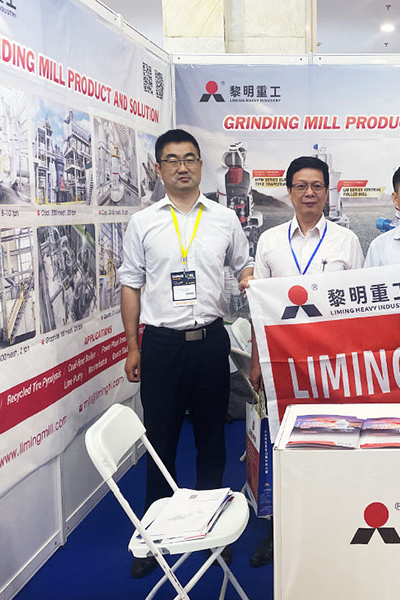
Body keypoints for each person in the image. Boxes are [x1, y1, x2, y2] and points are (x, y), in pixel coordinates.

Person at [117, 129, 254, 579]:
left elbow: (243, 264)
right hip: (161, 346)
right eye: (173, 160)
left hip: (211, 342)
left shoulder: (223, 219)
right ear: (159, 169)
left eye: (190, 158)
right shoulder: (143, 223)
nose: (182, 166)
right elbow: (130, 284)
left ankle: (212, 534)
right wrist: (132, 345)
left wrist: (251, 277)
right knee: (161, 442)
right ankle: (153, 537)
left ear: (200, 165)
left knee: (212, 441)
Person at [240, 155, 364, 567]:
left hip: (332, 361)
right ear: (289, 191)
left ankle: (332, 522)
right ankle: (279, 529)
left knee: (333, 438)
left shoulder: (346, 241)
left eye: (317, 186)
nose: (309, 193)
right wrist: (256, 361)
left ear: (327, 191)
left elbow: (359, 311)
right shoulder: (270, 241)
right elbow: (259, 309)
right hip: (280, 361)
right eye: (301, 186)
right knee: (283, 444)